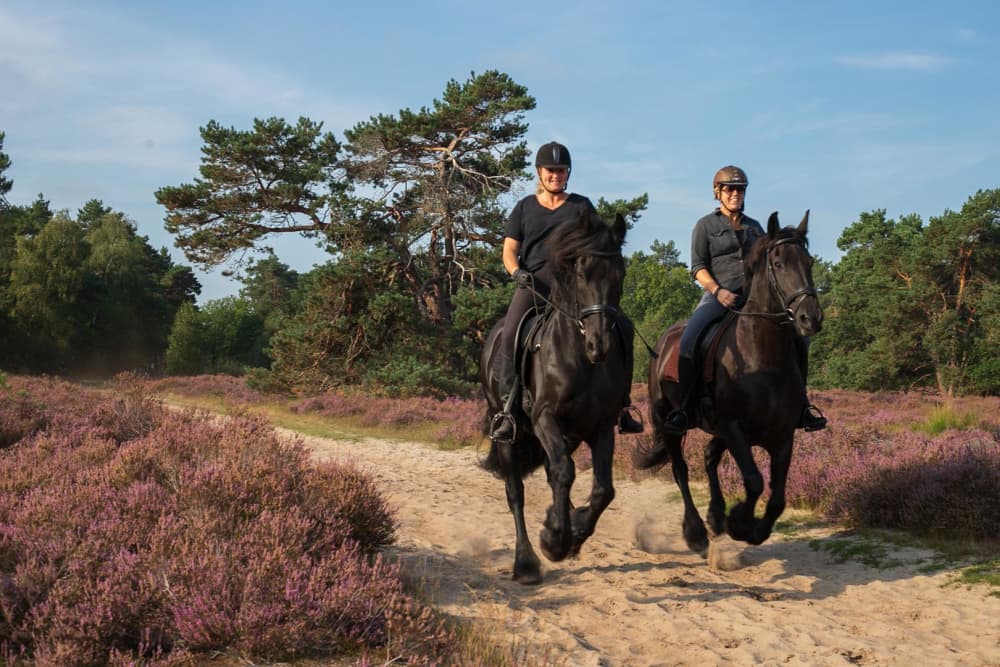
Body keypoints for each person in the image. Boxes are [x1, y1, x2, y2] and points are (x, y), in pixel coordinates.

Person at [489, 141, 643, 441]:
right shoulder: (524, 208)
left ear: (567, 173)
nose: (555, 175)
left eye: (561, 170)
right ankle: (507, 409)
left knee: (623, 326)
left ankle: (622, 406)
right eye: (550, 170)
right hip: (534, 284)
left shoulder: (581, 206)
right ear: (540, 172)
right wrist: (517, 272)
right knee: (509, 334)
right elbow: (509, 251)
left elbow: (598, 245)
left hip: (574, 287)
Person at [661, 165, 827, 435]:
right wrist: (718, 291)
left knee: (800, 338)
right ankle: (684, 407)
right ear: (718, 193)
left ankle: (802, 405)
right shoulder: (705, 225)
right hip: (719, 295)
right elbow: (698, 268)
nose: (735, 193)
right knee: (690, 337)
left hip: (752, 297)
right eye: (729, 189)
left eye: (740, 189)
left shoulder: (755, 227)